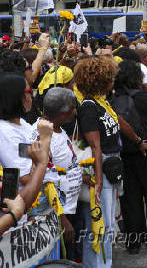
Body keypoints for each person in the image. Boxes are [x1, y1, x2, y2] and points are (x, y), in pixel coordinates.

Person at [114, 60, 147, 254]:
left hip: (124, 154)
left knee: (130, 198)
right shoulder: (145, 96)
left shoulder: (113, 98)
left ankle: (133, 241)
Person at [74, 56, 121, 268]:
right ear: (101, 81)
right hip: (100, 168)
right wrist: (99, 179)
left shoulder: (102, 102)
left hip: (109, 167)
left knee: (108, 225)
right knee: (100, 226)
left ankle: (104, 263)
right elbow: (95, 146)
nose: (113, 81)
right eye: (110, 78)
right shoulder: (89, 106)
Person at [34, 87, 82, 259]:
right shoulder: (42, 137)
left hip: (70, 207)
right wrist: (62, 219)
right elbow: (45, 180)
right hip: (59, 214)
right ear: (61, 113)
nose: (75, 112)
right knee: (63, 258)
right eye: (72, 109)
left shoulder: (57, 128)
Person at [0, 74, 53, 226]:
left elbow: (31, 158)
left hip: (27, 212)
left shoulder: (21, 123)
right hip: (14, 217)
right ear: (17, 98)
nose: (32, 96)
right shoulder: (5, 133)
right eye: (29, 91)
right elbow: (26, 178)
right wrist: (45, 140)